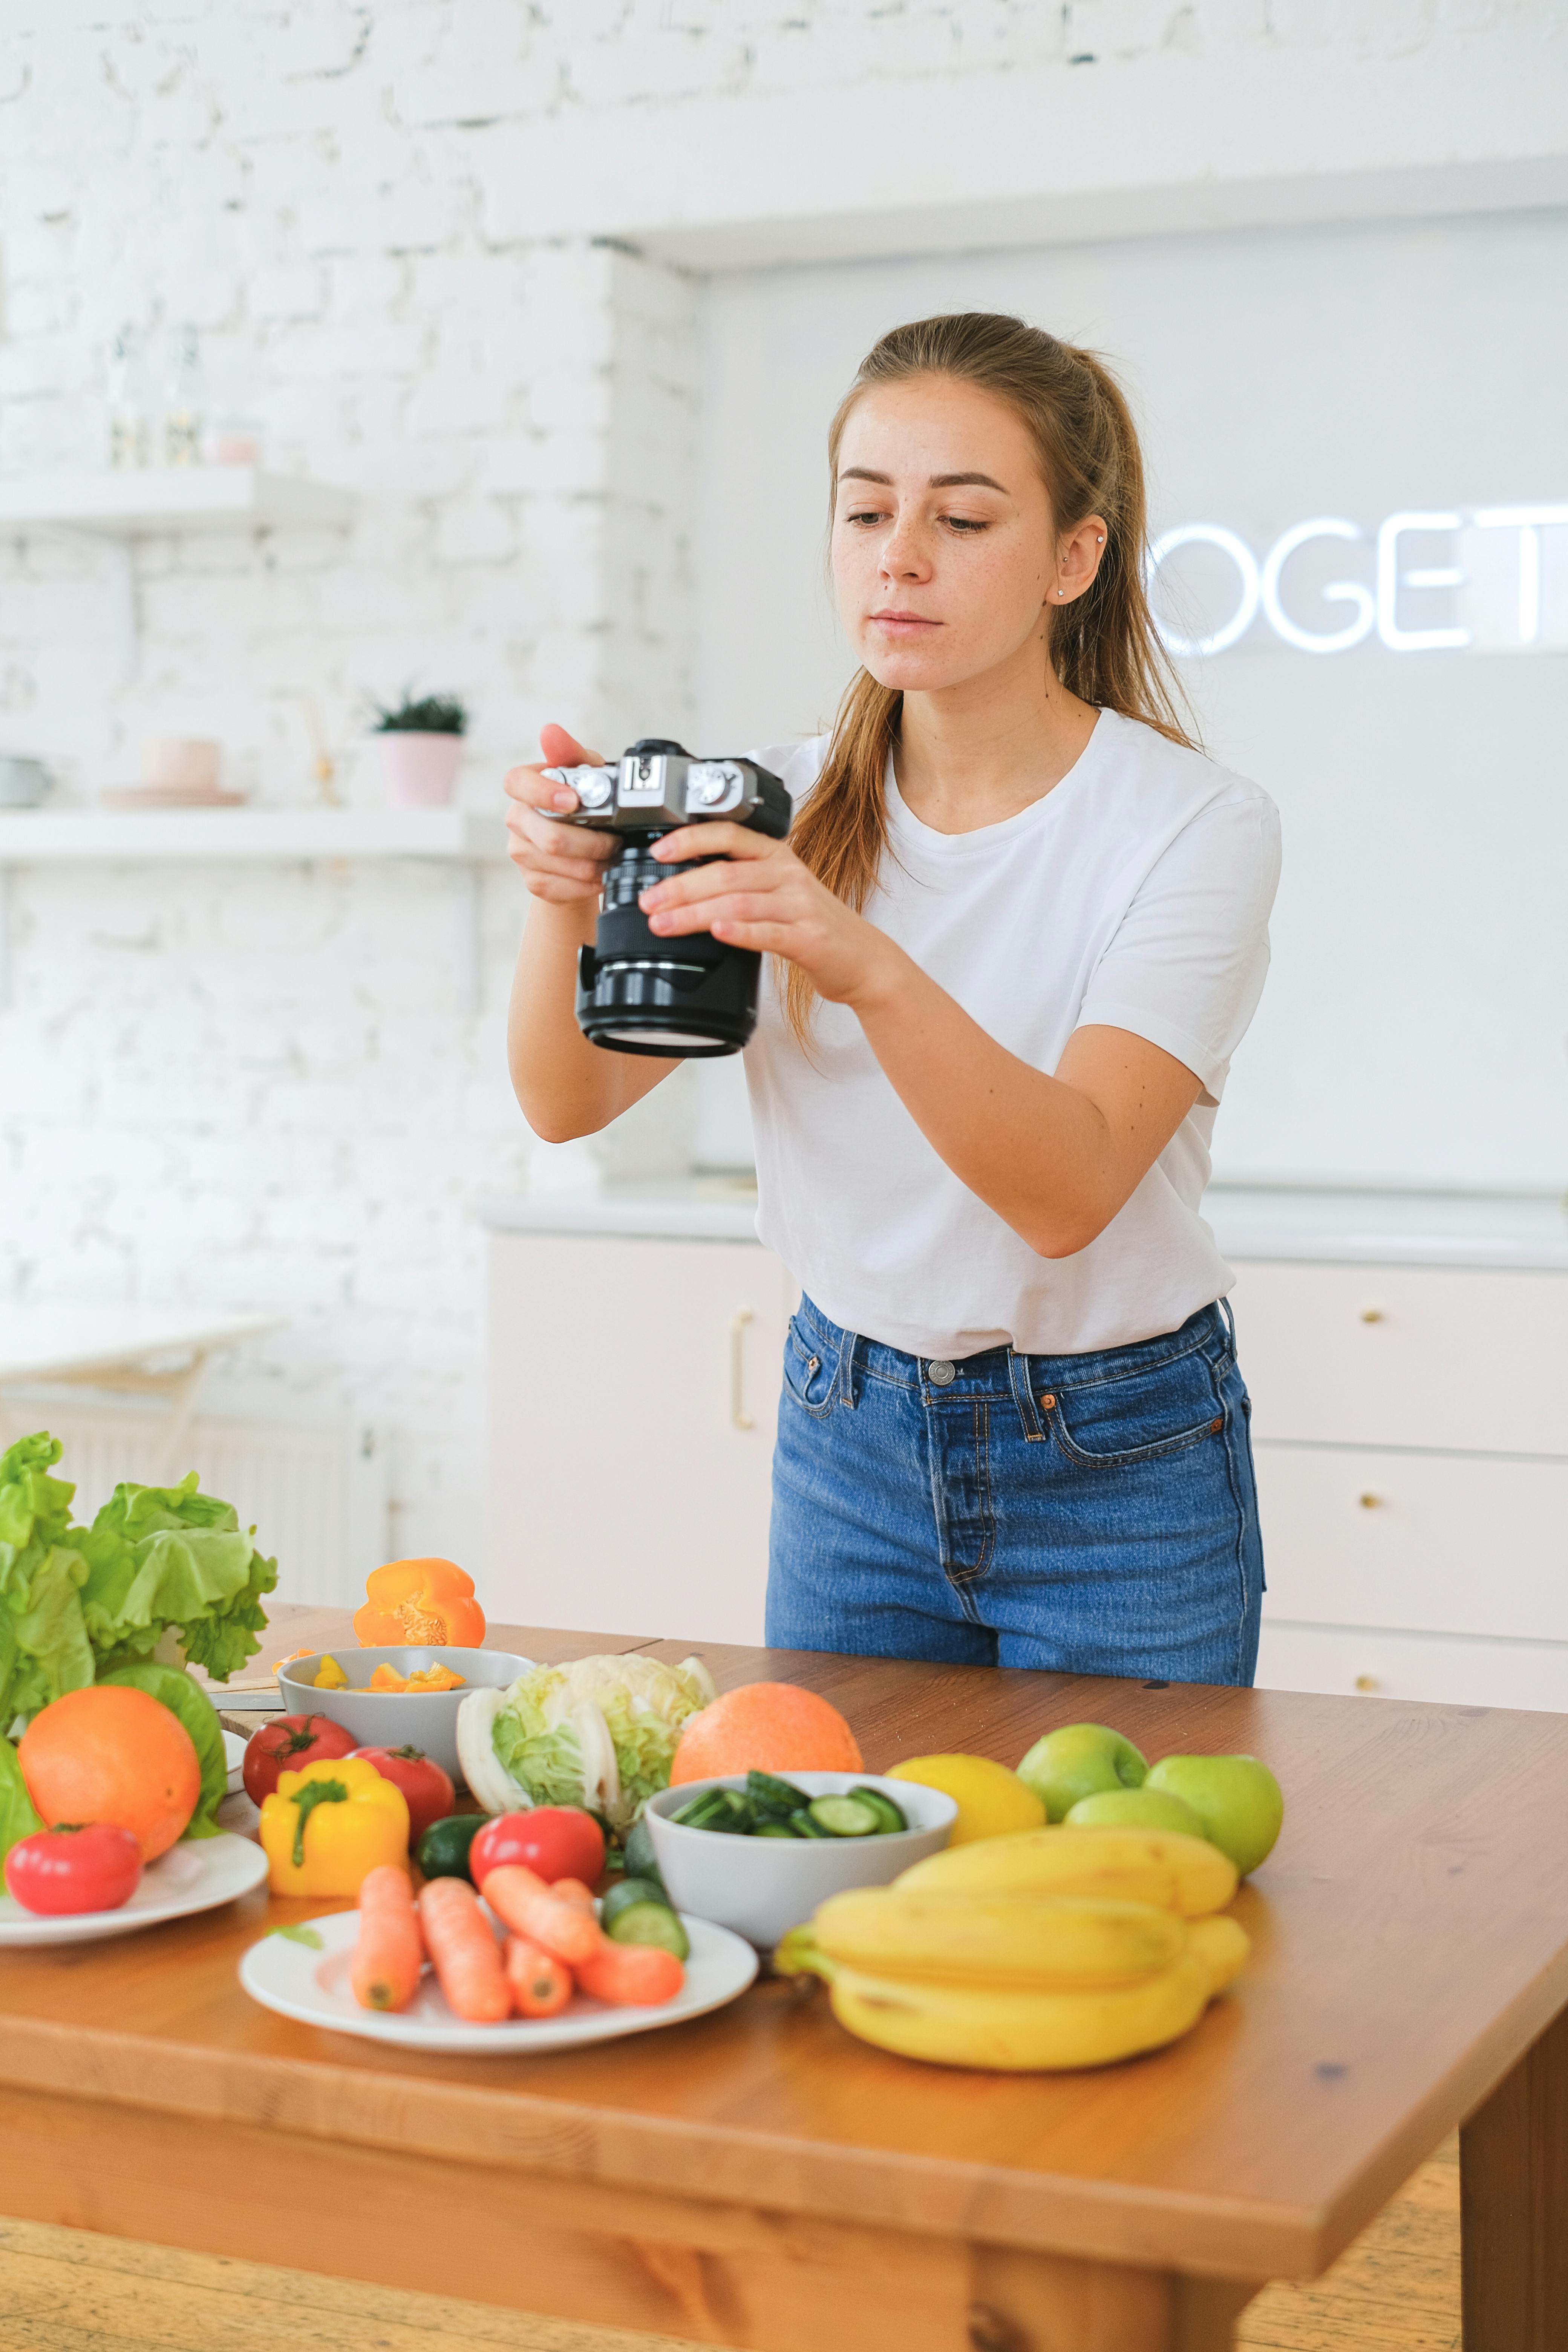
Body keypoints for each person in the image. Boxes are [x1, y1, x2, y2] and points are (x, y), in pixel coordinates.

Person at [504, 311, 1280, 1684]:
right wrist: (562, 893)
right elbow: (569, 1104)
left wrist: (858, 959)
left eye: (963, 520)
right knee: (848, 1882)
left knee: (1114, 1891)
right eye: (865, 513)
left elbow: (1070, 1187)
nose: (899, 557)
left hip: (1119, 1457)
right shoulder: (772, 804)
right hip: (847, 1434)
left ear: (1073, 557)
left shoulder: (1191, 824)